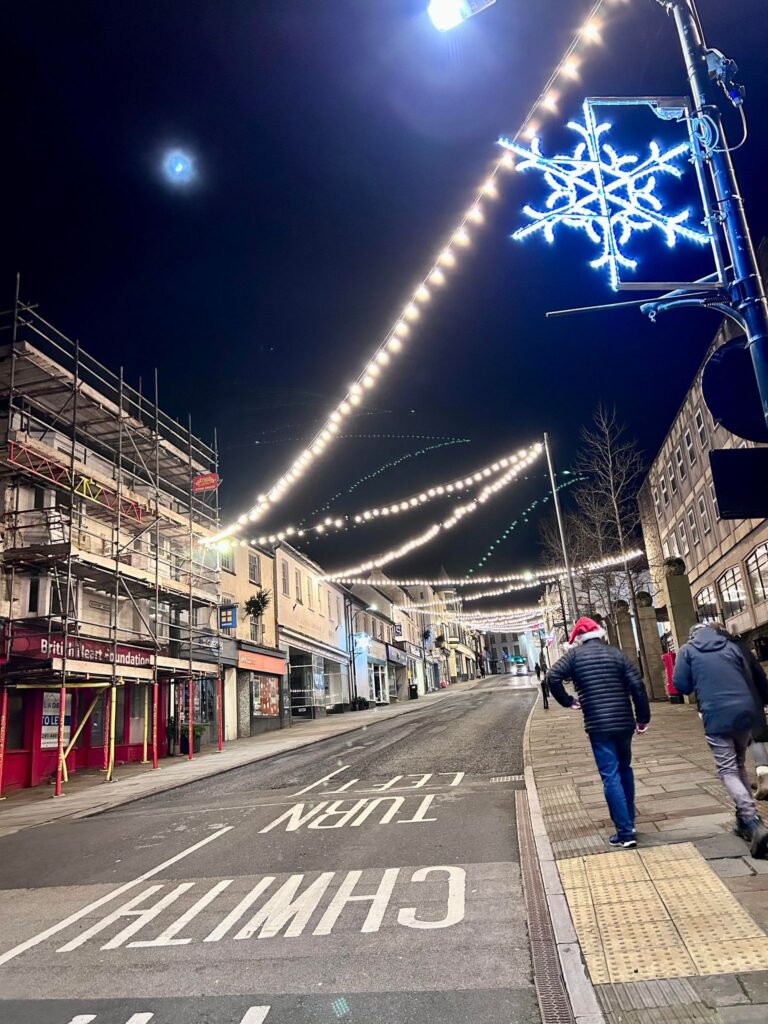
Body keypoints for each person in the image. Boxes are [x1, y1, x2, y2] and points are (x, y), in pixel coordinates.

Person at [546, 615, 650, 849]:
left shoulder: (574, 656)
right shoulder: (617, 654)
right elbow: (637, 686)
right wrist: (643, 719)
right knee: (625, 769)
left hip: (598, 725)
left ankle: (624, 833)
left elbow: (552, 676)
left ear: (580, 637)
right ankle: (630, 823)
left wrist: (568, 701)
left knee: (610, 774)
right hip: (624, 722)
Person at [673, 623, 768, 859]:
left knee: (727, 769)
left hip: (716, 714)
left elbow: (681, 685)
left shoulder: (687, 650)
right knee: (739, 764)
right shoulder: (730, 646)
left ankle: (753, 820)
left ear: (692, 635)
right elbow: (748, 675)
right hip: (744, 710)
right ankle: (742, 822)